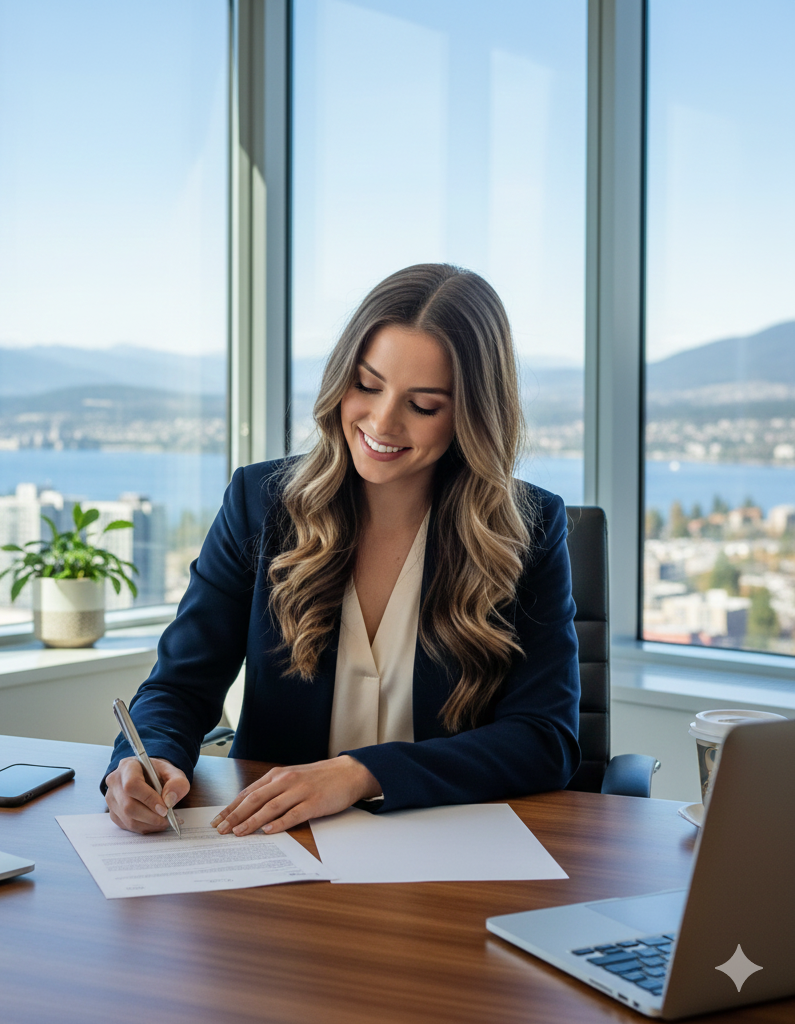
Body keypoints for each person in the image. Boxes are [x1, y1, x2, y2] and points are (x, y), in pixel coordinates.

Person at [102, 263, 580, 837]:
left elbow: (544, 738)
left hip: (442, 847)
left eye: (423, 405)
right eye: (367, 385)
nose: (382, 421)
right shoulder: (260, 504)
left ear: (471, 415)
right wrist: (148, 758)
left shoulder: (527, 528)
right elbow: (179, 686)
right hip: (278, 847)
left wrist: (361, 774)